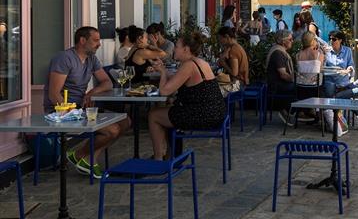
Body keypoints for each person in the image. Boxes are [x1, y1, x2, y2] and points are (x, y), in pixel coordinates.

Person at [45, 27, 131, 177]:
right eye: (96, 40)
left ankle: (88, 158)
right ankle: (79, 154)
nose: (99, 44)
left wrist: (91, 93)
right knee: (112, 130)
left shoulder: (91, 58)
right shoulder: (64, 58)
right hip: (61, 112)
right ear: (82, 40)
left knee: (125, 121)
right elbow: (54, 94)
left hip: (82, 109)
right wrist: (72, 114)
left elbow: (107, 82)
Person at [147, 32, 227, 160]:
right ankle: (170, 154)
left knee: (154, 115)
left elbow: (164, 91)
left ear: (186, 49)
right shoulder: (200, 62)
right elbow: (177, 80)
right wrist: (164, 71)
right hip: (217, 112)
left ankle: (158, 159)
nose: (174, 49)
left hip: (204, 115)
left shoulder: (188, 65)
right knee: (169, 108)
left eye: (177, 46)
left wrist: (162, 73)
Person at [266, 29, 296, 124]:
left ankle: (294, 111)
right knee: (300, 88)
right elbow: (283, 74)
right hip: (277, 85)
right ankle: (286, 110)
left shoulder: (279, 50)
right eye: (290, 39)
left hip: (279, 83)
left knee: (300, 87)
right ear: (283, 41)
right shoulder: (278, 53)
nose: (292, 41)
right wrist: (294, 79)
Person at [324, 30, 353, 97]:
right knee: (329, 86)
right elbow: (323, 68)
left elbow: (350, 65)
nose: (331, 41)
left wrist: (349, 69)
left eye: (334, 39)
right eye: (330, 39)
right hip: (330, 81)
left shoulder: (347, 50)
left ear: (340, 40)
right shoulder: (326, 51)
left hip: (342, 81)